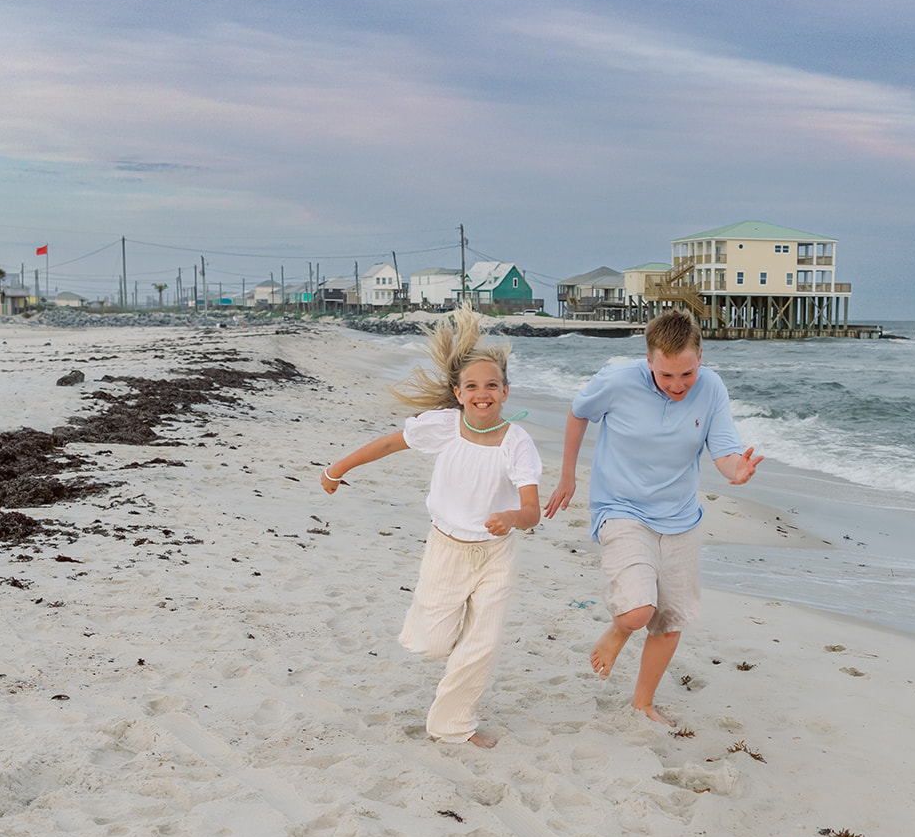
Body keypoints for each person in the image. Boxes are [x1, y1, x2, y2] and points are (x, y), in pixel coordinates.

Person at [321, 308, 541, 748]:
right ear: (458, 394)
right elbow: (387, 444)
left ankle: (452, 725)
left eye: (492, 385)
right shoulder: (443, 427)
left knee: (483, 646)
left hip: (496, 553)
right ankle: (455, 632)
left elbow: (532, 509)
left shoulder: (518, 442)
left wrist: (513, 518)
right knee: (433, 643)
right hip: (447, 548)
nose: (483, 393)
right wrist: (337, 468)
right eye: (473, 386)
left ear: (505, 392)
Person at [543, 309, 762, 726]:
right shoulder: (618, 381)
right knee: (637, 612)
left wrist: (739, 471)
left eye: (687, 375)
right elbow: (578, 412)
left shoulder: (711, 388)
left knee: (669, 621)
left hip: (681, 517)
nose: (678, 386)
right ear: (649, 361)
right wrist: (567, 476)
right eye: (666, 376)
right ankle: (617, 633)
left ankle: (643, 702)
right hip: (621, 508)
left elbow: (725, 451)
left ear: (701, 357)